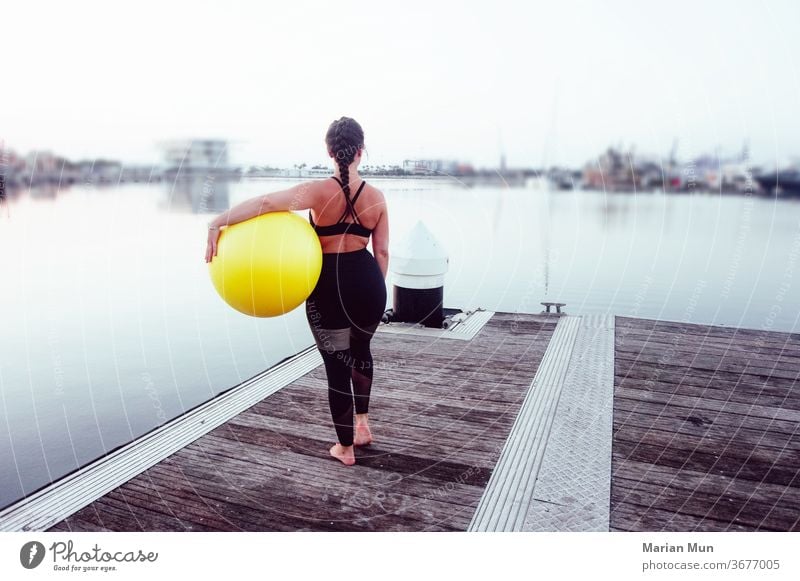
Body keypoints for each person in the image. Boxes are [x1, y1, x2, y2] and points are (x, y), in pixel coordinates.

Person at [205, 116, 389, 466]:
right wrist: (376, 291)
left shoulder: (317, 192)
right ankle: (363, 425)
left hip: (326, 290)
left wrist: (218, 221)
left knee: (336, 366)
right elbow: (381, 252)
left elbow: (264, 204)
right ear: (361, 152)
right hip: (368, 286)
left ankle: (346, 448)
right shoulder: (378, 198)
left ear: (330, 151)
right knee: (361, 350)